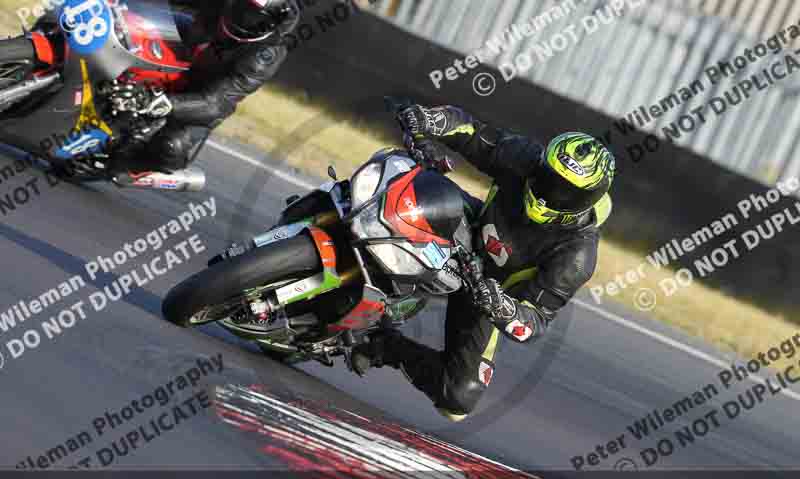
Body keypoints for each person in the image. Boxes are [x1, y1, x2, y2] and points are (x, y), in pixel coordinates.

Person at [351, 104, 616, 422]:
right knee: (407, 179)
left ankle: (384, 345)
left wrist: (501, 306)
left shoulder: (576, 255)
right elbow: (472, 132)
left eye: (565, 192)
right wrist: (430, 120)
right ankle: (339, 209)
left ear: (587, 200)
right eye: (548, 178)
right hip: (465, 228)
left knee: (457, 398)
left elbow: (535, 322)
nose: (549, 193)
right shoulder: (525, 158)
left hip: (486, 291)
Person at [63, 0, 301, 187]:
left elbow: (216, 103)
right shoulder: (220, 9)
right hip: (189, 45)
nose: (240, 17)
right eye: (239, 5)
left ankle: (117, 167)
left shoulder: (265, 54)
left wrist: (165, 103)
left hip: (200, 96)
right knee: (130, 30)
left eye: (251, 16)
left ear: (268, 23)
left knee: (172, 147)